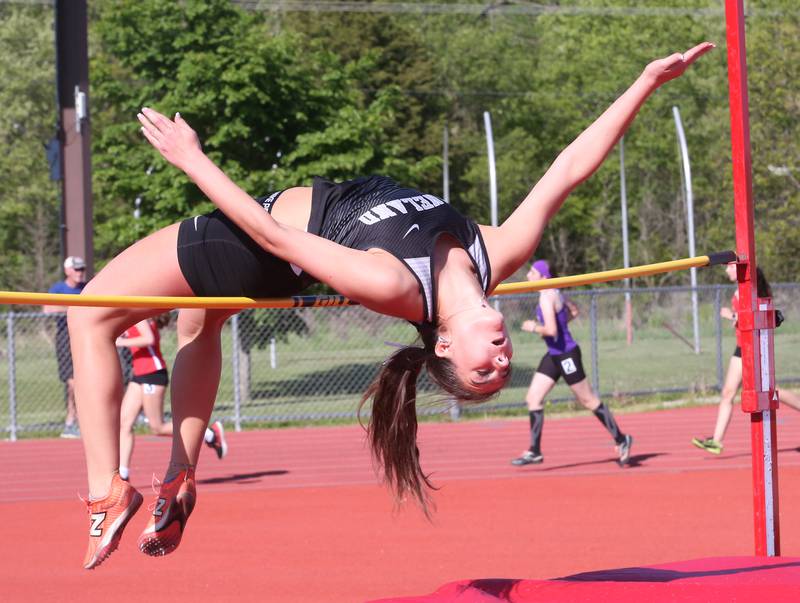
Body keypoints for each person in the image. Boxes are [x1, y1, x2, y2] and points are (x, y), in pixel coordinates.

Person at [66, 43, 714, 569]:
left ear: (442, 345)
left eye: (483, 371)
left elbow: (275, 239)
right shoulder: (497, 251)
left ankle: (107, 490)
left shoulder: (395, 286)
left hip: (258, 239)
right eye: (503, 368)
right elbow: (570, 167)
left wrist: (192, 159)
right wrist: (646, 82)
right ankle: (181, 477)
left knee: (90, 312)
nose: (503, 357)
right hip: (277, 233)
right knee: (197, 323)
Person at [511, 260, 632, 467]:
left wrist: (534, 327)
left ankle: (622, 440)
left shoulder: (546, 297)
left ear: (543, 276)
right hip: (554, 354)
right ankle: (535, 451)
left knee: (588, 400)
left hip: (567, 355)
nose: (527, 276)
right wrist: (557, 323)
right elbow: (573, 311)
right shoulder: (554, 292)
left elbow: (551, 331)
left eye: (532, 272)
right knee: (533, 398)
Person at [692, 263, 800, 454]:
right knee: (728, 392)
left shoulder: (752, 291)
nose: (726, 271)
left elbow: (756, 318)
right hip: (741, 347)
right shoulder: (739, 291)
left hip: (753, 348)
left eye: (730, 267)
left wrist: (731, 315)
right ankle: (716, 441)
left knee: (768, 391)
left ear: (741, 269)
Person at [116, 314, 228, 484]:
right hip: (139, 375)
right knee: (124, 423)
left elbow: (148, 338)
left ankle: (209, 434)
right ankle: (123, 476)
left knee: (157, 427)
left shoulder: (139, 317)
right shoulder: (131, 316)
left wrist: (121, 342)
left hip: (152, 374)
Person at [43, 256, 86, 438]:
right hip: (65, 338)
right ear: (68, 271)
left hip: (85, 337)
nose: (80, 273)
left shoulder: (87, 288)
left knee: (85, 381)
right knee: (72, 382)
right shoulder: (59, 289)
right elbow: (47, 309)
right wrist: (74, 307)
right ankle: (72, 420)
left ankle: (80, 420)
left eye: (82, 269)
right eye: (76, 269)